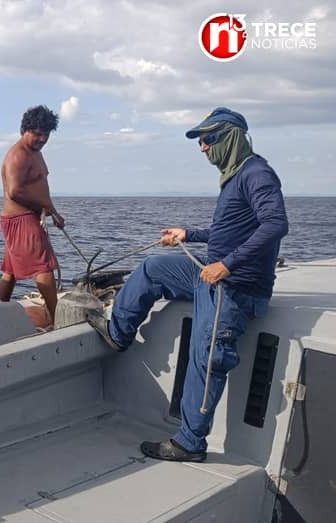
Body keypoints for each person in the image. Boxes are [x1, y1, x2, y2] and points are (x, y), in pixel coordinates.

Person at [87, 107, 288, 462]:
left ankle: (190, 443)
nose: (203, 147)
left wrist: (226, 265)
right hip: (210, 272)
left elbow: (275, 225)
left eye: (208, 139)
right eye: (200, 141)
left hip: (234, 286)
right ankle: (118, 333)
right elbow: (232, 230)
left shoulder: (257, 174)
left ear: (230, 137)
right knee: (152, 268)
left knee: (207, 358)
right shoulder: (235, 174)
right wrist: (189, 234)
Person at [0, 105, 66, 327]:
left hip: (28, 217)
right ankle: (58, 320)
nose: (42, 138)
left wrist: (51, 210)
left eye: (46, 134)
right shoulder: (18, 156)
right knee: (44, 268)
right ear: (25, 130)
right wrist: (48, 207)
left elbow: (40, 188)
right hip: (21, 219)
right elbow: (15, 191)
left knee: (10, 270)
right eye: (37, 133)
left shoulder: (35, 153)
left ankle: (1, 309)